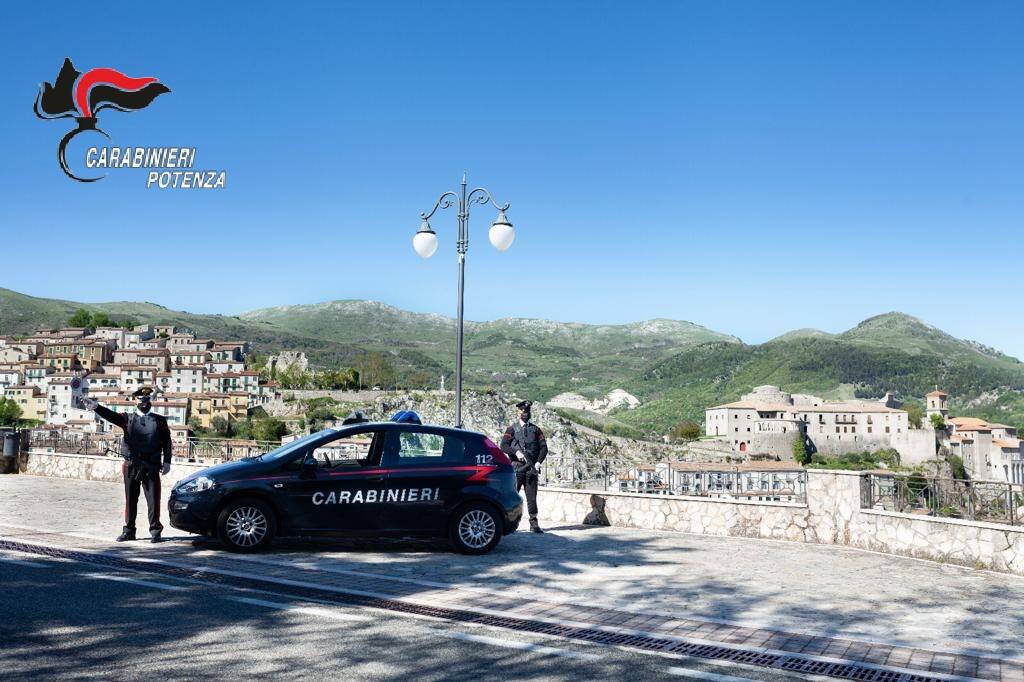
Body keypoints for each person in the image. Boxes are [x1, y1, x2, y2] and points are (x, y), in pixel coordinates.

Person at [80, 387, 172, 542]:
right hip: (131, 465)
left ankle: (155, 531)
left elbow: (167, 442)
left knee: (153, 500)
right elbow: (111, 416)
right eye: (141, 399)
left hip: (151, 466)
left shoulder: (160, 420)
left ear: (150, 401)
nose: (144, 402)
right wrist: (96, 407)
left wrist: (167, 461)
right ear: (135, 401)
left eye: (146, 399)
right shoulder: (127, 418)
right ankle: (129, 531)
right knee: (130, 499)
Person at [500, 400, 547, 533]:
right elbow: (503, 446)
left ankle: (534, 524)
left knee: (532, 497)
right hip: (517, 467)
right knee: (512, 496)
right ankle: (509, 523)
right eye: (522, 411)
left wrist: (538, 463)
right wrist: (516, 452)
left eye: (527, 411)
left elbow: (544, 448)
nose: (525, 413)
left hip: (531, 468)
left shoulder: (536, 430)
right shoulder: (511, 429)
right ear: (518, 412)